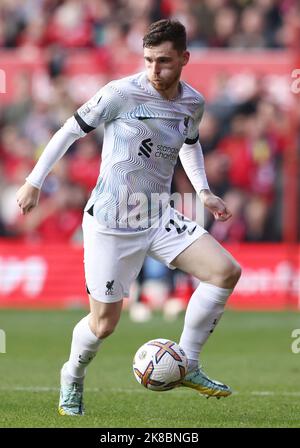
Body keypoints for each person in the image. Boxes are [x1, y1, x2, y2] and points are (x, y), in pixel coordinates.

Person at [16, 19, 241, 416]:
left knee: (225, 272)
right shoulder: (120, 93)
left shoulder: (192, 102)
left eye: (165, 62)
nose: (155, 70)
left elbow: (190, 143)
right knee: (103, 325)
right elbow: (69, 130)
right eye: (149, 60)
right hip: (110, 223)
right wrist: (34, 181)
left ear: (185, 59)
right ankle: (72, 376)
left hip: (155, 215)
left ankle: (187, 362)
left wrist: (203, 190)